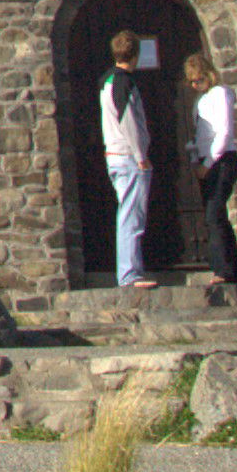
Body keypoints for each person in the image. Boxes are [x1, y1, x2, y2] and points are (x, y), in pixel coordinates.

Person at [184, 48, 237, 284]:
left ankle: (223, 271)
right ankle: (234, 272)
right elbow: (200, 136)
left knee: (213, 214)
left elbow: (224, 132)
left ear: (208, 75)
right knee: (217, 216)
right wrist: (194, 159)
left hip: (221, 161)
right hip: (206, 162)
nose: (195, 85)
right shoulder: (199, 102)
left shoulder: (221, 94)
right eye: (191, 82)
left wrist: (209, 163)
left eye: (198, 79)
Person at [100, 30, 155, 288]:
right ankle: (129, 274)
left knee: (129, 212)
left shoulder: (106, 80)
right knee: (132, 215)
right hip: (127, 156)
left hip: (114, 153)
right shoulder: (124, 81)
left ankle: (130, 271)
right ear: (135, 55)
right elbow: (128, 120)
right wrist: (140, 154)